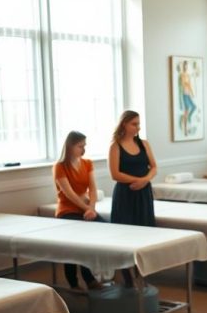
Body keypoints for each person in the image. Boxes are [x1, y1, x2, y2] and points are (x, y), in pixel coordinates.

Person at [108, 110, 157, 286]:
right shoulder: (115, 146)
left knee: (144, 229)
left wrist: (144, 181)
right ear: (124, 124)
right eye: (134, 124)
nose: (138, 127)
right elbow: (115, 174)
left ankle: (140, 272)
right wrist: (137, 180)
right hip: (125, 194)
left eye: (138, 123)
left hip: (143, 192)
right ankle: (126, 273)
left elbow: (154, 167)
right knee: (125, 232)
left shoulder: (144, 144)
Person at [53, 131, 104, 291]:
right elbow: (69, 194)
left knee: (104, 227)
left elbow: (93, 189)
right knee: (74, 245)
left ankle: (91, 278)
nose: (83, 150)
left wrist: (92, 208)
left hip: (86, 209)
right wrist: (87, 208)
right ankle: (75, 283)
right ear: (70, 147)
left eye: (85, 146)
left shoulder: (87, 163)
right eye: (80, 146)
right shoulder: (59, 167)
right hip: (67, 211)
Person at [178, 60, 197, 136]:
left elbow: (189, 85)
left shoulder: (188, 75)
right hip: (184, 95)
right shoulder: (182, 75)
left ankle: (189, 117)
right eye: (184, 65)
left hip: (188, 94)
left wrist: (192, 92)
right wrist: (187, 84)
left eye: (186, 65)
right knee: (186, 110)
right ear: (183, 66)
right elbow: (183, 84)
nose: (185, 67)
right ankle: (185, 129)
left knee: (194, 107)